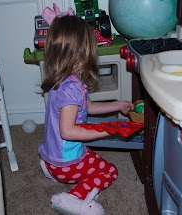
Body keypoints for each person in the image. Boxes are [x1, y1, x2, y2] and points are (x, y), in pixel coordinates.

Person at [39, 15, 134, 215]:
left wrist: (117, 105)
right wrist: (106, 130)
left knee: (93, 158)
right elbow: (68, 131)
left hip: (52, 155)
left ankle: (50, 169)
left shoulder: (63, 80)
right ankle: (74, 198)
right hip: (65, 162)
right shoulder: (72, 88)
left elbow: (87, 107)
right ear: (83, 53)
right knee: (108, 171)